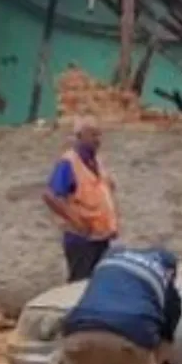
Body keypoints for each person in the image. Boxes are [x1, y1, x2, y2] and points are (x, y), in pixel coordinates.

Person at [43, 116, 119, 282]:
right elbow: (50, 195)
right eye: (93, 135)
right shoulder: (69, 162)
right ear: (79, 136)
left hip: (100, 237)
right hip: (82, 240)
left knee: (97, 284)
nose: (98, 140)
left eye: (99, 135)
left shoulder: (96, 161)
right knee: (79, 286)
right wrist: (76, 221)